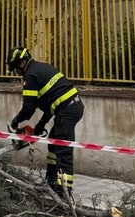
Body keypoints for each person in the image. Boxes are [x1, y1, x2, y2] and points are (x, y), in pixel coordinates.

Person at [7, 46, 84, 197]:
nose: (18, 73)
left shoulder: (30, 76)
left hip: (67, 111)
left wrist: (15, 122)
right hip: (72, 107)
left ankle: (64, 194)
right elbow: (51, 104)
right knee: (54, 144)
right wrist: (40, 126)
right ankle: (51, 182)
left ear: (22, 63)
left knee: (63, 151)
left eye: (17, 69)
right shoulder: (42, 68)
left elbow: (29, 108)